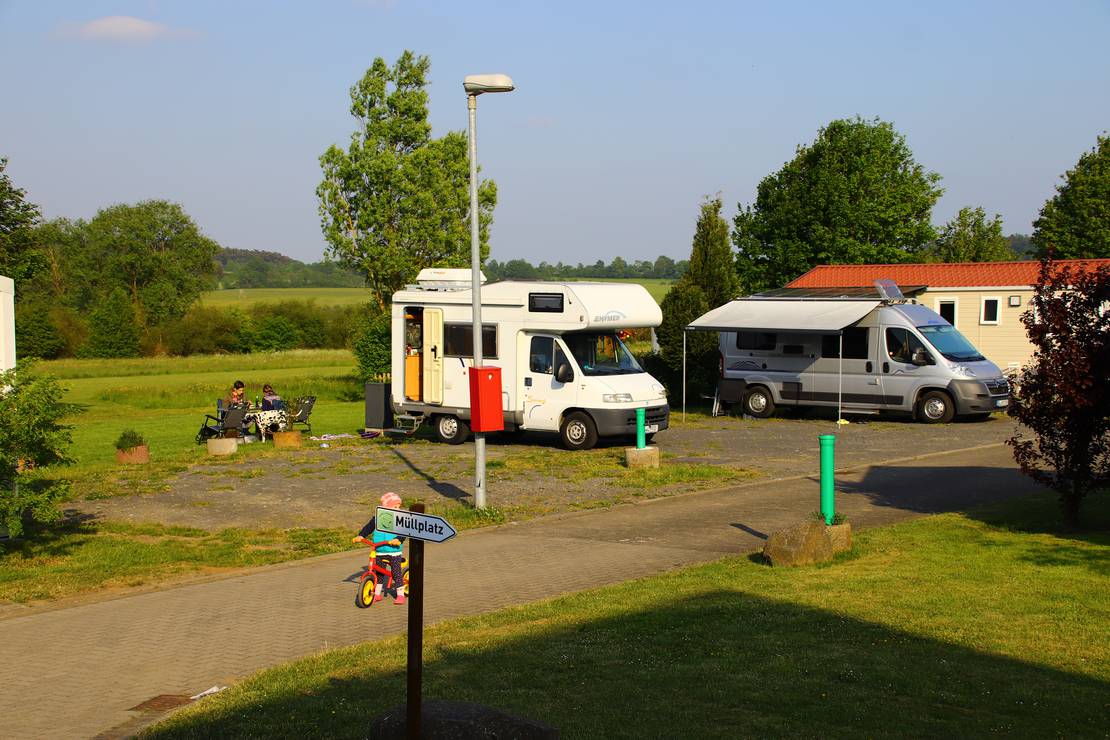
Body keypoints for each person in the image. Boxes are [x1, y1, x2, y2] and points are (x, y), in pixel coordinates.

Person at [351, 492, 406, 605]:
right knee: (379, 573)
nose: (398, 509)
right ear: (386, 507)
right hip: (380, 549)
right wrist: (361, 535)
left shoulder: (398, 518)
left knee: (396, 572)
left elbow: (403, 531)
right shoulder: (378, 517)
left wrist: (398, 539)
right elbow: (368, 527)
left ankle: (400, 594)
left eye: (399, 506)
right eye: (395, 507)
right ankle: (376, 594)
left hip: (393, 551)